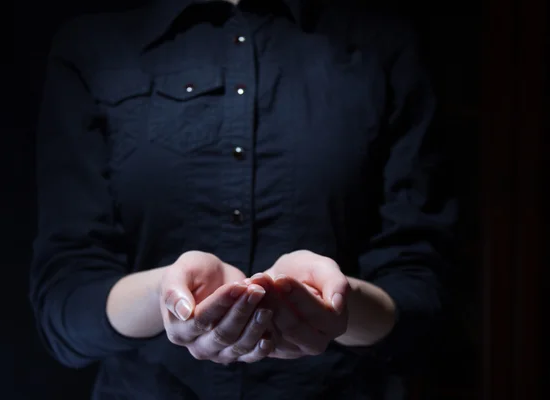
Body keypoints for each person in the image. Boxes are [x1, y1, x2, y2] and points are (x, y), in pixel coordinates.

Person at [30, 0, 457, 398]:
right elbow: (66, 306)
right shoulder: (92, 47)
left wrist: (337, 305)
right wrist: (166, 293)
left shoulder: (383, 44)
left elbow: (422, 295)